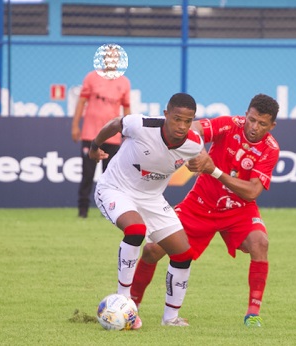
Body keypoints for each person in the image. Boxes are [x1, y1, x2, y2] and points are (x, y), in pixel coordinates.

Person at [130, 93, 280, 327]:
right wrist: (198, 151)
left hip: (239, 210)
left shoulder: (270, 149)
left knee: (260, 243)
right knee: (152, 249)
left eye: (262, 124)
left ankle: (253, 314)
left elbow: (252, 192)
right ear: (246, 115)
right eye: (251, 119)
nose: (254, 127)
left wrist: (214, 170)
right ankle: (131, 305)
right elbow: (197, 128)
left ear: (272, 126)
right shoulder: (230, 124)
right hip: (200, 205)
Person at [89, 92, 204, 329]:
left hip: (151, 199)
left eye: (188, 120)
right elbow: (115, 124)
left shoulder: (194, 144)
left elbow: (199, 159)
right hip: (115, 188)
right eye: (176, 119)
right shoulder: (141, 125)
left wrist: (198, 164)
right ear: (165, 115)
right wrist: (94, 147)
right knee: (136, 229)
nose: (181, 126)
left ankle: (170, 319)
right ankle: (125, 300)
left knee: (183, 254)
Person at [71, 45, 131, 218]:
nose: (111, 60)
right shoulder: (91, 77)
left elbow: (127, 109)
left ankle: (109, 211)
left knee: (110, 178)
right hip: (91, 134)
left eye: (115, 57)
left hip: (112, 137)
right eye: (108, 56)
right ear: (103, 59)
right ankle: (83, 211)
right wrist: (75, 126)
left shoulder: (124, 82)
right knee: (87, 174)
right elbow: (81, 103)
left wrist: (128, 133)